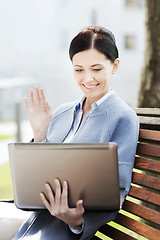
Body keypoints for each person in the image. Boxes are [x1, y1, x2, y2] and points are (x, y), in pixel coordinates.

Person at [12, 26, 139, 240]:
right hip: (34, 218)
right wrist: (41, 134)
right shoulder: (63, 112)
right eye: (79, 69)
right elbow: (39, 176)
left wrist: (77, 221)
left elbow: (115, 193)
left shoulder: (123, 118)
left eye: (96, 69)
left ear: (114, 66)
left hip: (60, 230)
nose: (87, 78)